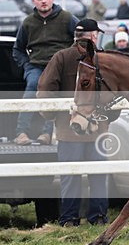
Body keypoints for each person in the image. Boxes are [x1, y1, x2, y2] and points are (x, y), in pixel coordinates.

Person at [37, 18, 109, 227]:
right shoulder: (103, 58)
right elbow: (114, 92)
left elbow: (45, 88)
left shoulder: (61, 57)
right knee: (98, 177)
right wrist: (109, 117)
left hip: (68, 130)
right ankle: (99, 218)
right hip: (98, 129)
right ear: (94, 35)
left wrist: (52, 117)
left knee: (70, 177)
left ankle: (69, 219)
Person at [12, 0, 79, 146]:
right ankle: (21, 132)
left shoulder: (67, 18)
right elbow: (18, 49)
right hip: (36, 65)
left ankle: (47, 133)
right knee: (33, 85)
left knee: (54, 91)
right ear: (34, 1)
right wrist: (27, 66)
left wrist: (70, 61)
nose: (44, 1)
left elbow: (81, 38)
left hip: (61, 66)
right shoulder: (28, 22)